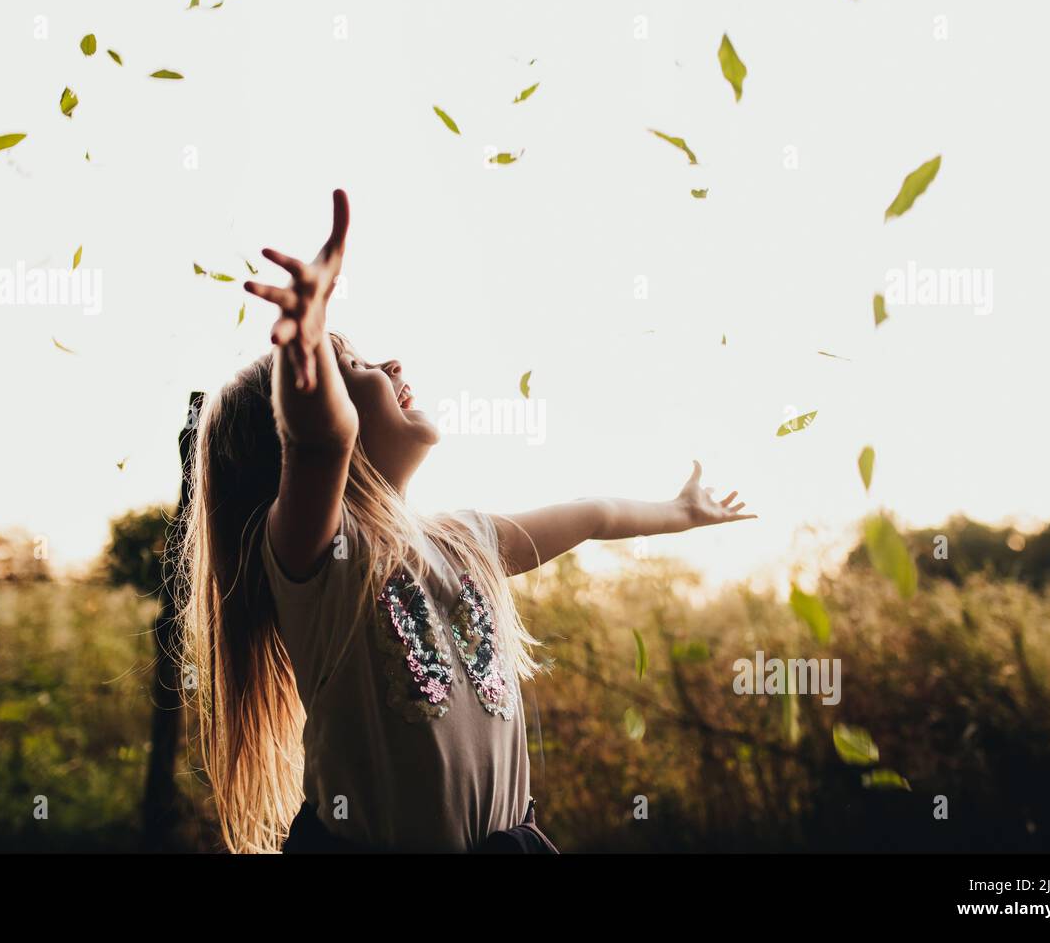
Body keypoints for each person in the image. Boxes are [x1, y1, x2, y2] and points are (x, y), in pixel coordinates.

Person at [179, 189, 755, 853]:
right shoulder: (322, 560)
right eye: (357, 367)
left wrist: (681, 512)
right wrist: (305, 347)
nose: (390, 364)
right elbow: (320, 440)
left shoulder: (467, 540)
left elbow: (594, 514)